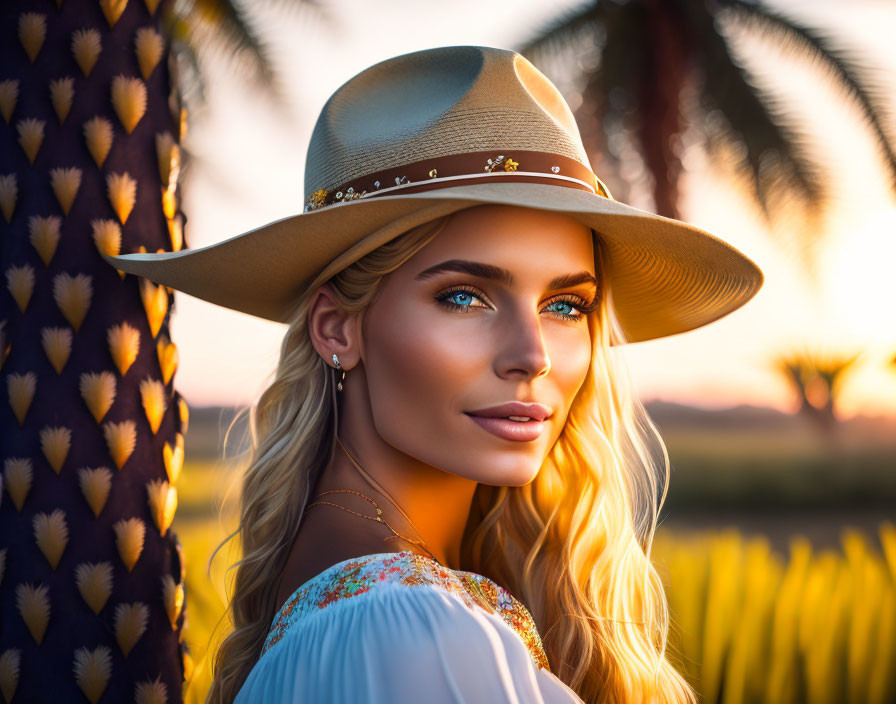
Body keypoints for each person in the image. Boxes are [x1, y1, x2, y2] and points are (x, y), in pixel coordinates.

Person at [105, 45, 763, 704]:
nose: (531, 355)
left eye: (566, 306)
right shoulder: (406, 632)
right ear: (338, 328)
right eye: (464, 296)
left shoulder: (366, 602)